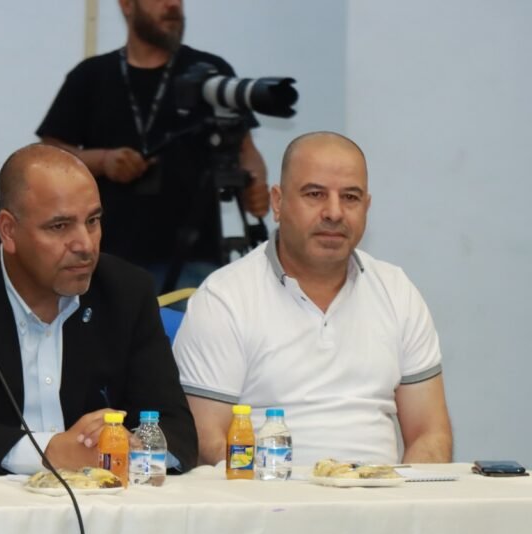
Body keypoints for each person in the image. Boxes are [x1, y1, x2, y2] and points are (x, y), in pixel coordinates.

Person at [0, 144, 197, 474]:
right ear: (8, 230)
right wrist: (51, 452)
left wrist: (130, 447)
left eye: (93, 221)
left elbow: (176, 429)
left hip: (104, 495)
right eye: (59, 226)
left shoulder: (126, 291)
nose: (85, 245)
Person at [173, 132, 453, 468]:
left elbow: (429, 435)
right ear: (278, 202)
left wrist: (409, 496)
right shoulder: (225, 298)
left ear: (367, 207)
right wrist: (280, 493)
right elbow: (206, 440)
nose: (334, 212)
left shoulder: (397, 291)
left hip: (378, 492)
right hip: (268, 494)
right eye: (315, 194)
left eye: (350, 197)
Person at [37, 0, 269, 292]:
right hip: (108, 260)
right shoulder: (90, 76)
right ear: (126, 5)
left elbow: (246, 150)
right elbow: (50, 157)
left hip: (196, 261)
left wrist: (255, 183)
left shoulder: (211, 74)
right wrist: (103, 161)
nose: (172, 5)